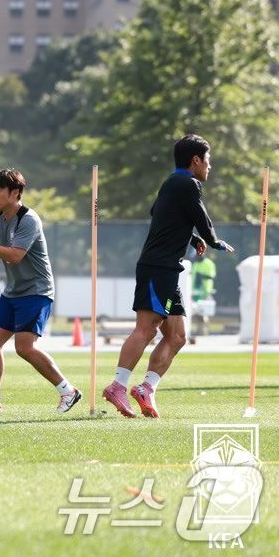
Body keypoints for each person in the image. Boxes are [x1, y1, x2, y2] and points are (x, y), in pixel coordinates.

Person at [102, 135, 233, 418]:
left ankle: (146, 388)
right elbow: (200, 215)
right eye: (208, 161)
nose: (209, 167)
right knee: (146, 328)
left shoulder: (172, 184)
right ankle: (117, 386)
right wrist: (213, 240)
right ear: (196, 160)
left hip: (168, 270)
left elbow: (161, 214)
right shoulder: (187, 183)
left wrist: (191, 237)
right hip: (157, 268)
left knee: (177, 336)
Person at [0, 169, 82, 414]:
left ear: (15, 193)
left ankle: (68, 391)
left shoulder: (29, 219)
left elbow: (15, 256)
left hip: (37, 291)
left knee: (24, 347)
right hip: (13, 292)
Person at [189, 250, 217, 343]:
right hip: (195, 293)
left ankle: (204, 332)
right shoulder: (195, 264)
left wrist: (202, 276)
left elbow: (211, 276)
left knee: (204, 313)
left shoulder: (209, 263)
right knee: (195, 313)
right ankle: (199, 331)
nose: (195, 258)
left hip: (205, 292)